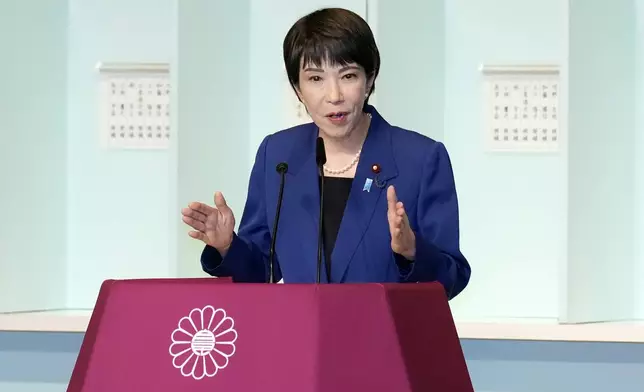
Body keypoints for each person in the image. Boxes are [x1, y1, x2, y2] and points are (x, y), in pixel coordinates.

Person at [181, 7, 471, 299]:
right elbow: (263, 270)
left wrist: (412, 251)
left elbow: (454, 275)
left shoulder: (420, 159)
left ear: (369, 79)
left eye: (347, 76)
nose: (334, 95)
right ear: (298, 88)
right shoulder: (278, 156)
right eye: (316, 79)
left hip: (384, 341)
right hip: (301, 340)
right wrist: (227, 245)